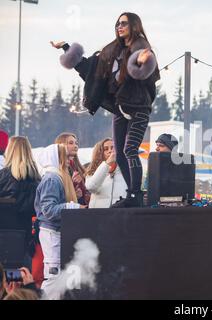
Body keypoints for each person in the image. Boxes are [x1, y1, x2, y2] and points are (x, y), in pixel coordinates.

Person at [51, 12, 160, 208]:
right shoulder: (112, 51)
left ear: (134, 25)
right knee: (119, 151)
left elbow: (146, 72)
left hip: (138, 107)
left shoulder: (141, 46)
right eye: (118, 23)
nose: (120, 26)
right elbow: (91, 70)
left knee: (130, 149)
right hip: (120, 107)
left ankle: (135, 194)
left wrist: (144, 60)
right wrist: (67, 49)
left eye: (124, 23)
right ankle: (131, 194)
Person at [34, 144, 86, 299]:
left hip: (54, 231)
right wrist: (74, 207)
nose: (67, 158)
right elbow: (49, 210)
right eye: (63, 155)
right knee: (53, 274)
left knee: (55, 273)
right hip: (51, 231)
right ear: (56, 157)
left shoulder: (55, 177)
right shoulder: (52, 178)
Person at [0, 136, 41, 269]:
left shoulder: (2, 176)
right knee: (22, 275)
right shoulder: (37, 179)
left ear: (9, 151)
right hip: (26, 235)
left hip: (3, 234)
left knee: (4, 278)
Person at [85, 138, 127, 208]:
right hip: (99, 215)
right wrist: (107, 164)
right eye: (106, 149)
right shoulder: (93, 170)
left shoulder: (126, 171)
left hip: (119, 215)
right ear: (100, 153)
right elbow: (91, 187)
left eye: (113, 148)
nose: (110, 151)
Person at [55, 133, 90, 205]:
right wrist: (74, 193)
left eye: (76, 143)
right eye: (71, 143)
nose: (75, 146)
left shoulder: (79, 167)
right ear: (61, 145)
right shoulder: (57, 169)